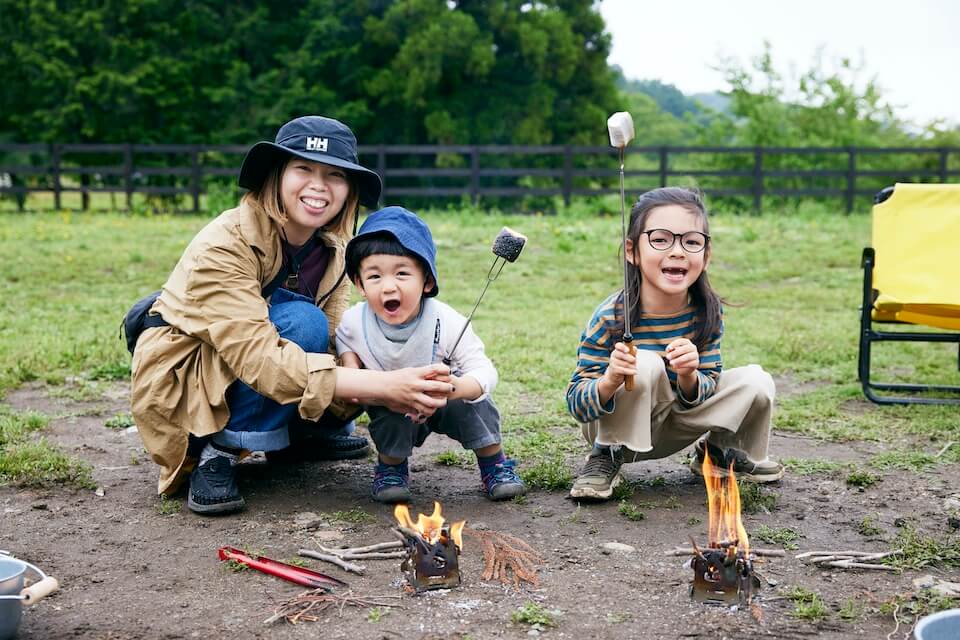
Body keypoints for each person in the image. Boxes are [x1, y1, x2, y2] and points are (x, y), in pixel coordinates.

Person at [130, 116, 454, 515]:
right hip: (191, 374)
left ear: (348, 189)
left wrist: (410, 373)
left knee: (329, 332)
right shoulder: (224, 242)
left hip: (270, 362)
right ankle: (220, 449)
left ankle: (299, 434)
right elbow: (257, 356)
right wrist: (385, 386)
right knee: (304, 322)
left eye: (334, 175)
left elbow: (338, 337)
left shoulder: (334, 246)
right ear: (276, 176)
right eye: (303, 169)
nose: (318, 185)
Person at [565, 187, 783, 500]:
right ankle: (605, 456)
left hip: (675, 424)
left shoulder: (706, 311)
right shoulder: (610, 316)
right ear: (632, 251)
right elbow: (576, 402)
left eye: (691, 241)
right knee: (644, 361)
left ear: (706, 256)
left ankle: (720, 452)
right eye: (660, 239)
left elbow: (705, 385)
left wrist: (689, 376)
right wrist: (610, 381)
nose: (678, 251)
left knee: (756, 380)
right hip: (616, 432)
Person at [336, 206, 527, 503]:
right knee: (388, 419)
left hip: (445, 398)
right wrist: (352, 365)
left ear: (426, 281)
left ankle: (494, 463)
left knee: (475, 405)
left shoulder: (447, 321)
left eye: (402, 273)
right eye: (374, 276)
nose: (388, 286)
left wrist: (454, 388)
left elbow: (484, 371)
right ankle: (391, 468)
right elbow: (344, 340)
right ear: (359, 284)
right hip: (394, 403)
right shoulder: (353, 322)